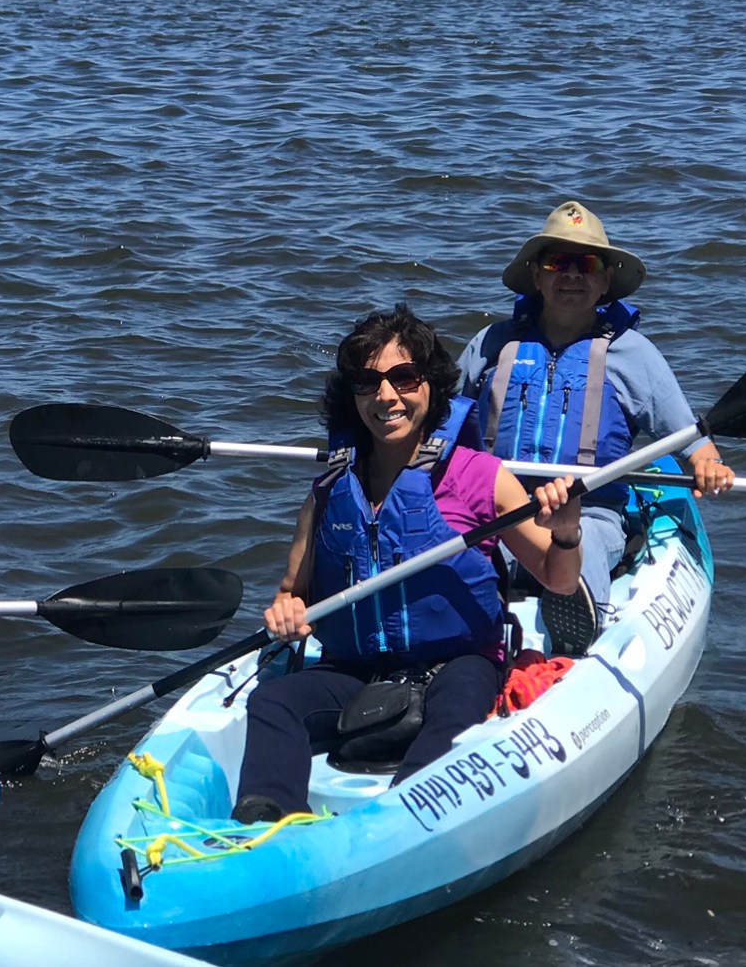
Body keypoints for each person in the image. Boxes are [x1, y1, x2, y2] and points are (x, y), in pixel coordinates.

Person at [231, 305, 583, 824]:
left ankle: (399, 822)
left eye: (404, 378)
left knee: (454, 713)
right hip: (355, 668)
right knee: (274, 703)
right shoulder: (330, 489)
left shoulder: (481, 477)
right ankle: (267, 821)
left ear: (430, 388)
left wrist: (568, 530)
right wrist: (284, 612)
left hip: (459, 663)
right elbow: (292, 592)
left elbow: (558, 578)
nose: (386, 396)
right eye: (368, 382)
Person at [457, 200, 735, 613]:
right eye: (557, 263)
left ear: (605, 281)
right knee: (456, 559)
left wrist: (710, 466)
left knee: (579, 551)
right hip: (498, 509)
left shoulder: (632, 355)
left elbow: (695, 444)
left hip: (592, 513)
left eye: (586, 264)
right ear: (536, 275)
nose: (571, 275)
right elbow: (439, 424)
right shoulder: (491, 344)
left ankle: (573, 639)